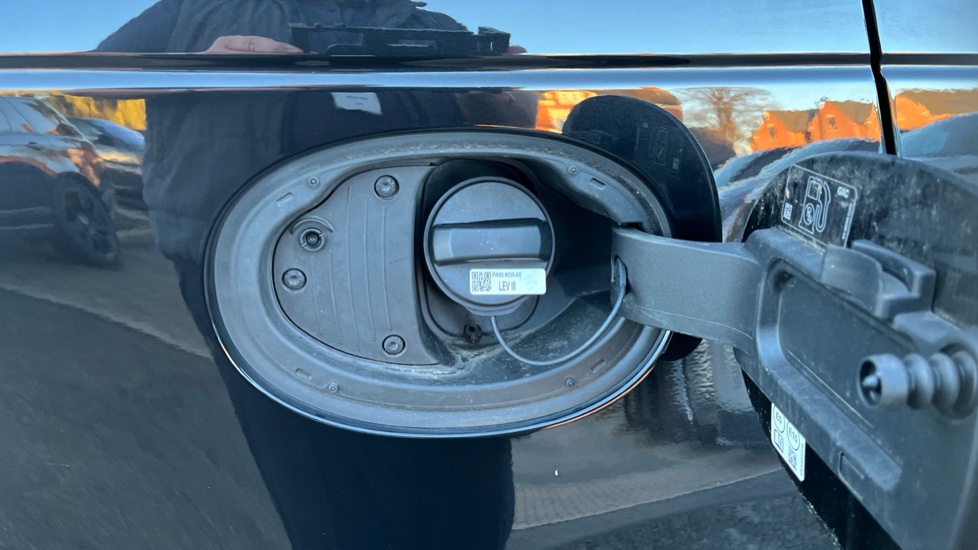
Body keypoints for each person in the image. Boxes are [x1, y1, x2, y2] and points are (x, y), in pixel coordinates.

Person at [99, 3, 516, 548]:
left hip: (423, 271)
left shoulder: (432, 26)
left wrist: (498, 99)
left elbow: (509, 118)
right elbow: (99, 74)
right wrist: (196, 67)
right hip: (240, 271)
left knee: (465, 486)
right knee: (317, 483)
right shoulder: (196, 7)